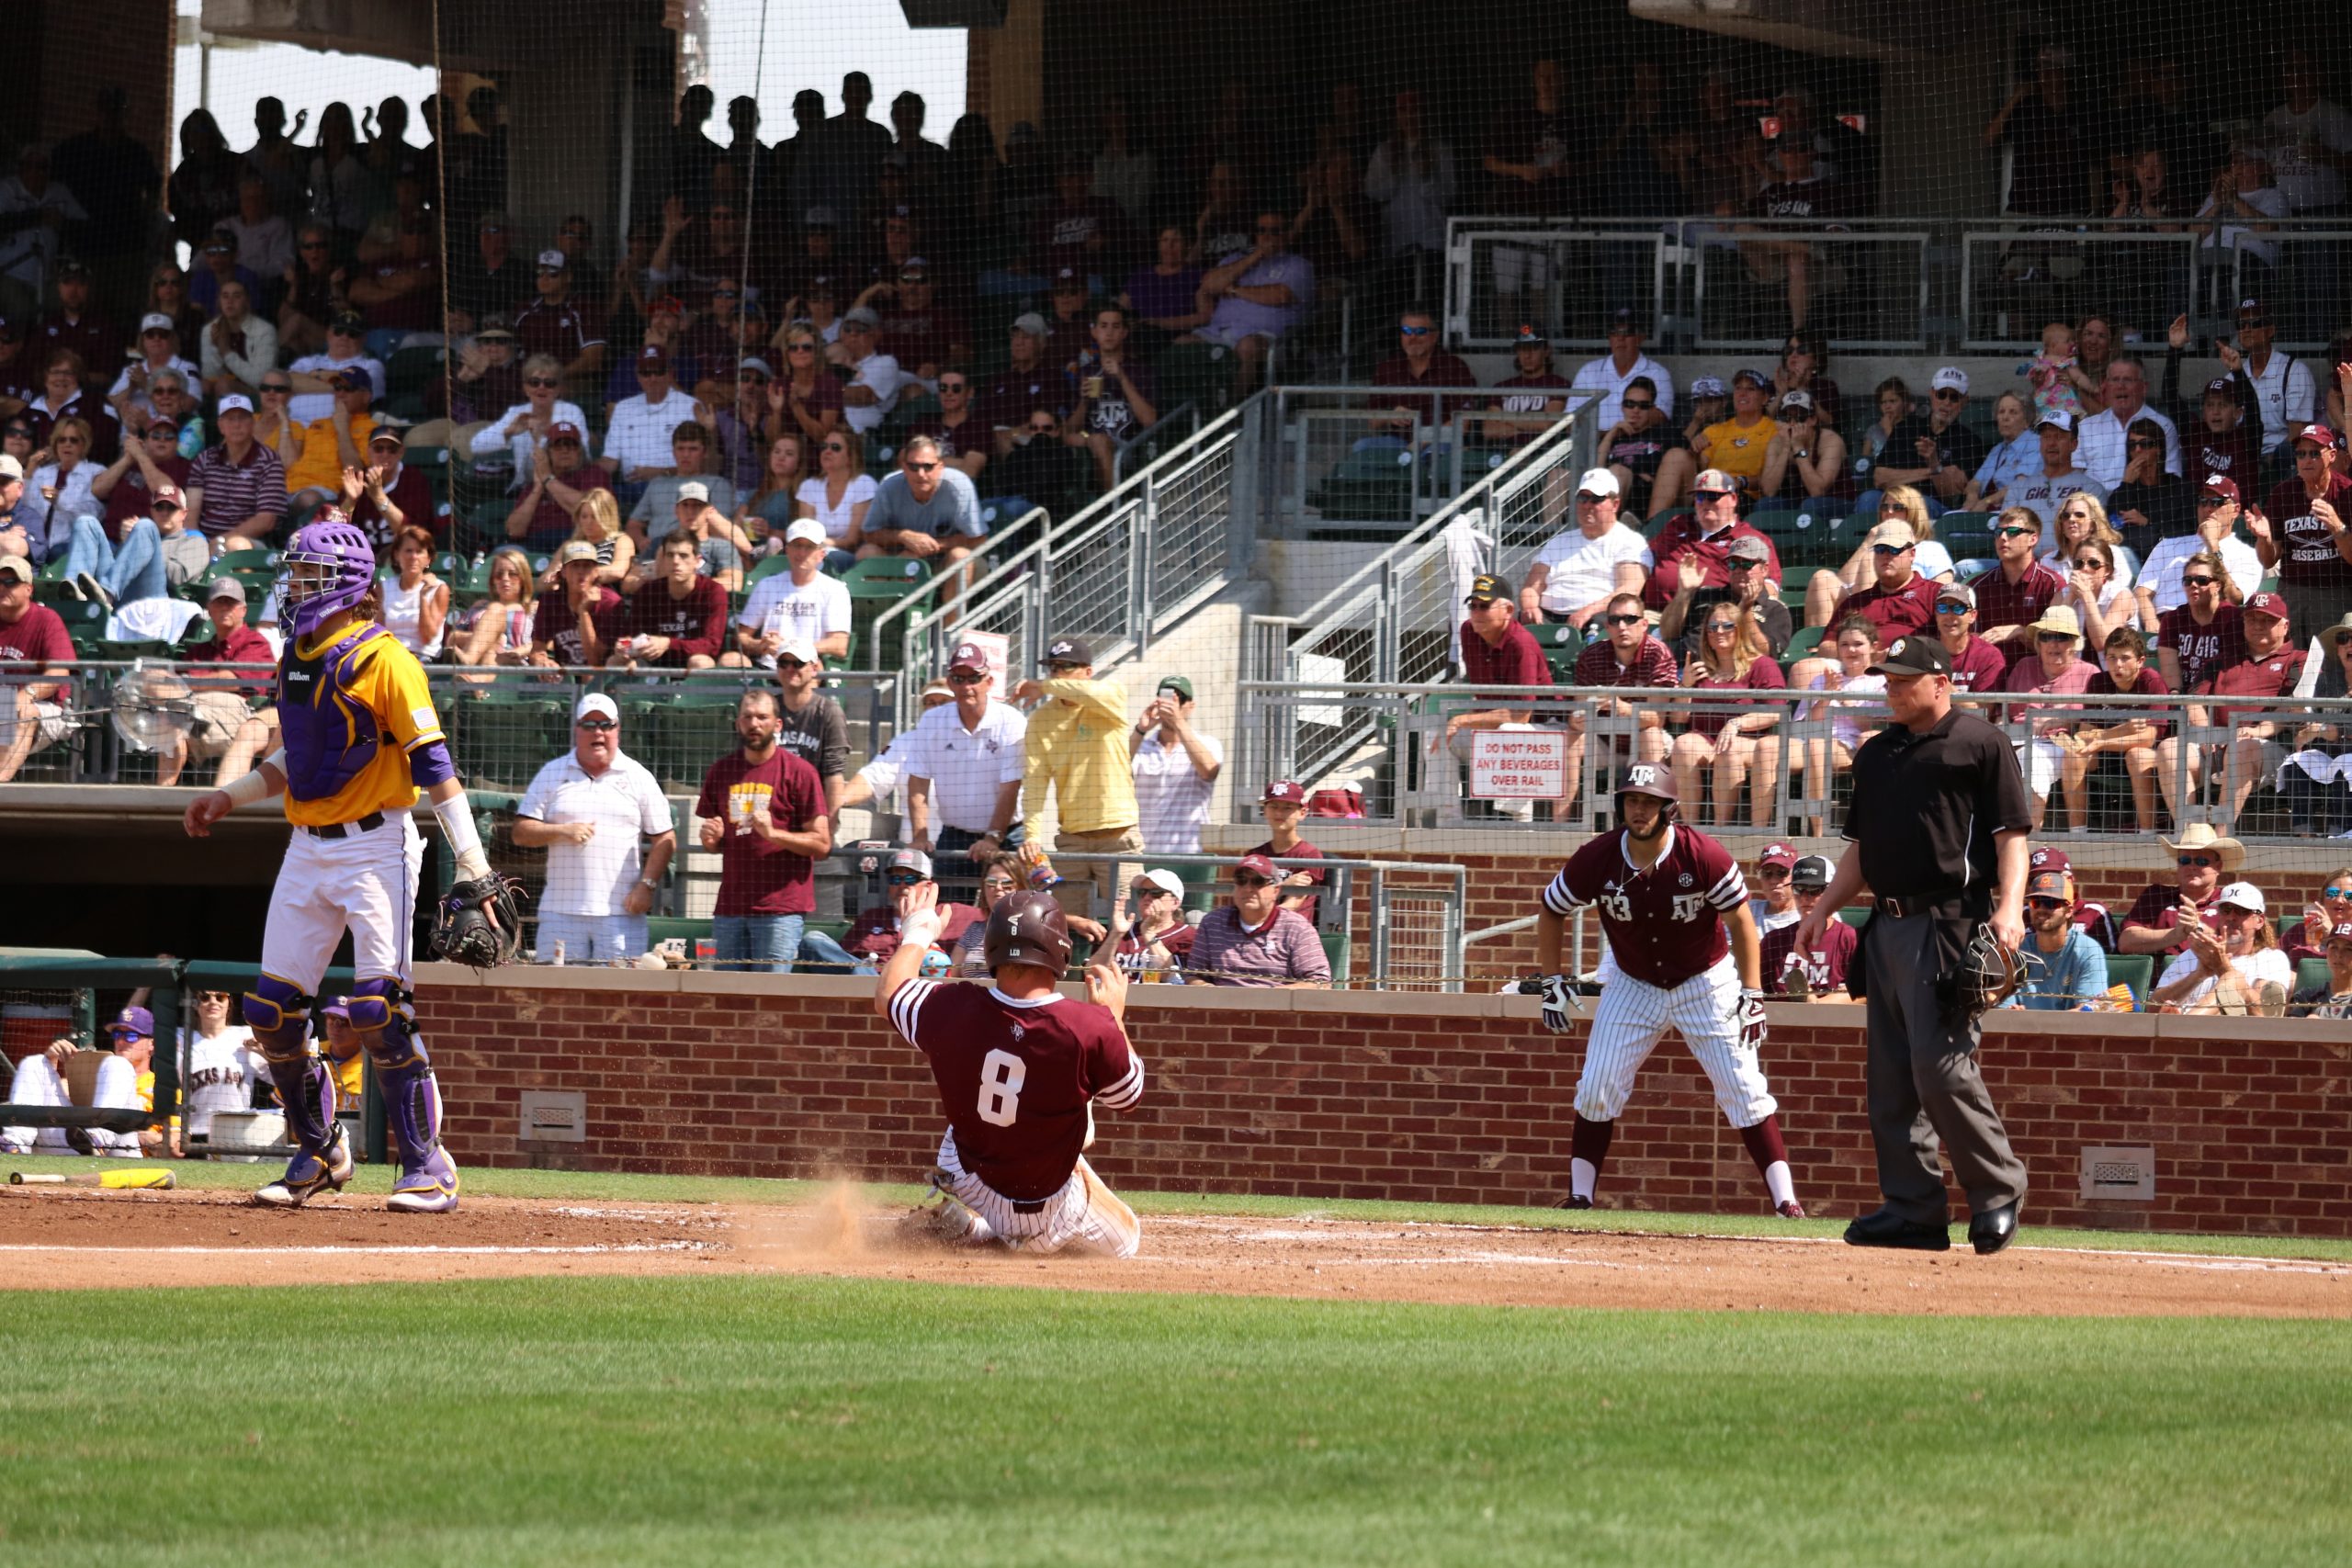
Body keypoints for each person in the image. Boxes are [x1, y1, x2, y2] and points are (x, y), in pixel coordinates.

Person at [179, 513, 503, 1213]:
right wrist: (229, 797)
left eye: (310, 575)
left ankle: (427, 1163)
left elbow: (436, 766)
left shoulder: (388, 658)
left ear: (348, 582)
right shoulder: (297, 651)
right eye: (295, 573)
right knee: (269, 1007)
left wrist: (472, 864)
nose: (296, 585)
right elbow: (298, 759)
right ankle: (321, 1149)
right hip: (307, 845)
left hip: (376, 841)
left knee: (378, 1007)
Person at [1789, 633, 2030, 1256]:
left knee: (1941, 1067)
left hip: (1950, 923)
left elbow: (2012, 836)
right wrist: (1826, 906)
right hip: (1887, 925)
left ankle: (1997, 1188)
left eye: (1903, 679)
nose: (1891, 688)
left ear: (1941, 683)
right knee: (1892, 1079)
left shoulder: (1980, 741)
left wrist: (2008, 908)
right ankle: (1914, 1208)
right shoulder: (1876, 753)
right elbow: (1862, 850)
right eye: (1887, 679)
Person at [1533, 765, 1803, 1217]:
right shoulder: (1599, 855)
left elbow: (1740, 920)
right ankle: (1580, 1196)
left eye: (1649, 801)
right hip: (1631, 982)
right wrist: (1551, 979)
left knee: (1743, 1087)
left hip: (1705, 980)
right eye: (1631, 800)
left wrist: (1752, 993)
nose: (1638, 810)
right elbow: (1551, 908)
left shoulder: (1702, 853)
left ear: (1668, 809)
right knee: (1597, 1086)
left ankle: (1786, 1201)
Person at [878, 883, 1144, 1257]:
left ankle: (970, 1217)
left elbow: (890, 992)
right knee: (1126, 1242)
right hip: (1035, 1207)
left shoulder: (953, 1003)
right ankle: (982, 1230)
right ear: (1059, 950)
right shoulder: (1089, 1025)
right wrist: (1113, 1017)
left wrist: (919, 930)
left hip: (963, 1168)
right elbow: (1129, 1096)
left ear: (992, 948)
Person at [512, 694, 675, 964]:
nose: (598, 732)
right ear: (577, 730)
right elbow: (520, 831)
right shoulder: (552, 773)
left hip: (621, 915)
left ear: (617, 730)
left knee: (622, 995)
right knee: (555, 995)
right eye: (589, 724)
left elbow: (665, 838)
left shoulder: (639, 777)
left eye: (606, 724)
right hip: (560, 913)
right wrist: (563, 831)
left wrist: (647, 885)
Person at [694, 686, 831, 972]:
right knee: (725, 997)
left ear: (777, 724)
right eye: (747, 717)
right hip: (731, 908)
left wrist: (774, 834)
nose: (754, 724)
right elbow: (716, 841)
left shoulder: (800, 772)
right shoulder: (721, 771)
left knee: (771, 999)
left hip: (780, 910)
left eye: (762, 717)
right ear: (738, 723)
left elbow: (822, 845)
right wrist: (711, 838)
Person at [1013, 635, 1141, 924]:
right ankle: (1070, 973)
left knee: (1128, 925)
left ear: (1088, 672)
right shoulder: (1040, 720)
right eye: (1053, 668)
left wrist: (1043, 686)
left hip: (1118, 836)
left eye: (1067, 666)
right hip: (1071, 839)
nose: (1058, 673)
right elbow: (1035, 781)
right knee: (1064, 925)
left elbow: (1089, 693)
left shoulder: (1110, 697)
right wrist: (1031, 835)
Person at [905, 640, 1028, 900]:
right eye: (959, 679)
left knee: (1016, 914)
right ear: (950, 683)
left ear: (989, 682)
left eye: (974, 678)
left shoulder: (1011, 720)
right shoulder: (932, 721)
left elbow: (1011, 787)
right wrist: (920, 835)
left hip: (1007, 834)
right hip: (954, 834)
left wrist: (993, 837)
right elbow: (918, 781)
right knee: (945, 915)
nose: (966, 686)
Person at [1668, 604, 1786, 829]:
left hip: (1752, 743)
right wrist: (1685, 687)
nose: (1718, 631)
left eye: (1727, 626)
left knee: (1728, 748)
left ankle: (1721, 830)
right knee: (1683, 744)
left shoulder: (1762, 665)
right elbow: (1679, 719)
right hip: (1706, 740)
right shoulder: (1700, 670)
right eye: (1712, 627)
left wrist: (1737, 724)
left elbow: (1776, 711)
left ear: (1740, 629)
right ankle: (1689, 828)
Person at [162, 575, 278, 787]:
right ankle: (160, 795)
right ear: (209, 609)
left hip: (236, 714)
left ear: (243, 610)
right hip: (191, 712)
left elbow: (234, 681)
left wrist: (188, 682)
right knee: (166, 717)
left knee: (173, 714)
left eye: (231, 603)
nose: (225, 608)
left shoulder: (255, 643)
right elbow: (177, 683)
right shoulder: (199, 651)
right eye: (219, 602)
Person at [1188, 209, 1313, 395]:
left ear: (1286, 233)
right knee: (1183, 342)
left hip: (1269, 339)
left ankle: (1228, 413)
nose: (1267, 236)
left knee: (1248, 347)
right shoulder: (1235, 260)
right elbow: (1208, 284)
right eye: (1262, 230)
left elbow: (1280, 295)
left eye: (1275, 231)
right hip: (1218, 332)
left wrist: (1233, 289)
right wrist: (1255, 257)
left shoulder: (1298, 265)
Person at [2000, 606, 2102, 831]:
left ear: (2075, 643)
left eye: (2062, 637)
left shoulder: (2090, 673)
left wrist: (2066, 720)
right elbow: (2004, 714)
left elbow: (2095, 722)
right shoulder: (2023, 666)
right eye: (2047, 637)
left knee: (2032, 759)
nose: (2054, 644)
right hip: (2017, 740)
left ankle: (2029, 834)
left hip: (2063, 745)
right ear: (2038, 643)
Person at [1518, 468, 1652, 631]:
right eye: (1583, 498)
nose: (1587, 505)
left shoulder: (1630, 541)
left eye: (1596, 499)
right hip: (1546, 618)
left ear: (1615, 504)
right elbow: (1531, 587)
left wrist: (1589, 611)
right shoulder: (1558, 542)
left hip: (1597, 619)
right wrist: (1530, 607)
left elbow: (1630, 590)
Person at [2255, 423, 2352, 644]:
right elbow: (2269, 560)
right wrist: (2264, 539)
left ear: (2332, 455)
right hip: (2292, 592)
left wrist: (2338, 528)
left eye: (2315, 453)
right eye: (2301, 454)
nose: (2307, 459)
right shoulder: (2283, 494)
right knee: (2290, 661)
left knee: (2330, 665)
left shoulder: (2347, 493)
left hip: (2334, 592)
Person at [0, 1019, 150, 1157]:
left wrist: (148, 1132)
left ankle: (97, 1138)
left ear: (152, 1043)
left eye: (131, 1036)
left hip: (121, 1151)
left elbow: (171, 1142)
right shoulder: (101, 1070)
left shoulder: (157, 1085)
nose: (121, 1041)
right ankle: (13, 1146)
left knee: (119, 1064)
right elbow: (60, 1098)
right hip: (76, 1143)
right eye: (117, 1034)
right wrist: (50, 1061)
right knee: (35, 1062)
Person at [1182, 853, 1331, 988]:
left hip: (1277, 1011)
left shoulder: (1297, 927)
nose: (1248, 888)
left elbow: (1321, 981)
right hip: (1222, 1008)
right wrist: (1206, 988)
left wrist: (1276, 995)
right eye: (1241, 881)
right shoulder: (1212, 923)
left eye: (1258, 881)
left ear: (1276, 890)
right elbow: (1193, 974)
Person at [2148, 881, 2290, 1016]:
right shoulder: (2193, 954)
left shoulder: (2272, 958)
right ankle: (2188, 1023)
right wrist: (2199, 975)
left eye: (2241, 911)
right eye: (2225, 910)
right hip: (2181, 1036)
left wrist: (2224, 969)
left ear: (2259, 921)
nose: (2231, 917)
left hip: (2234, 1035)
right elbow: (2151, 1007)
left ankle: (2189, 1022)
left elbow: (2265, 1014)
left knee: (2234, 979)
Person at [860, 436, 986, 577]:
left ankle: (952, 600)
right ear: (904, 467)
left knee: (960, 556)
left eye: (928, 466)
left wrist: (930, 546)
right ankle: (886, 598)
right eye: (914, 467)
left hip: (946, 561)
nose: (921, 474)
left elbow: (978, 539)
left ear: (940, 466)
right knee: (867, 552)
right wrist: (903, 536)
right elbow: (869, 534)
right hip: (902, 556)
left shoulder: (959, 485)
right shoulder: (889, 485)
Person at [1128, 674, 1223, 858]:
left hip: (1189, 852)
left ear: (1191, 706)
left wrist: (1178, 722)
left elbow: (1209, 771)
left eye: (1180, 699)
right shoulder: (1141, 746)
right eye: (1167, 698)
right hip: (1143, 852)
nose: (1173, 705)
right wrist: (1140, 730)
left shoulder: (1208, 743)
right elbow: (1116, 772)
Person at [0, 549, 74, 784]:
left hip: (44, 707)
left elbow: (59, 673)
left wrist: (27, 694)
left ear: (28, 589)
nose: (3, 587)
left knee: (19, 710)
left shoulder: (46, 620)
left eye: (10, 582)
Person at [735, 520, 850, 669]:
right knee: (730, 660)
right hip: (768, 667)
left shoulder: (835, 589)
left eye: (809, 547)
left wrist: (790, 649)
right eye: (797, 545)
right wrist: (761, 645)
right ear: (787, 550)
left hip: (809, 668)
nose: (801, 553)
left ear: (821, 554)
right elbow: (741, 637)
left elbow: (840, 645)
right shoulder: (767, 585)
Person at [2117, 822, 2240, 959]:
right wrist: (2176, 934)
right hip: (2161, 979)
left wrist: (2197, 928)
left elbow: (2239, 947)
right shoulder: (2156, 895)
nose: (2191, 867)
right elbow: (2126, 942)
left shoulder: (2230, 902)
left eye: (2201, 862)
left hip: (2210, 977)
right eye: (2185, 860)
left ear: (2218, 867)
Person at [611, 532, 730, 671]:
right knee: (615, 661)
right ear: (663, 559)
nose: (675, 561)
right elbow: (633, 634)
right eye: (670, 555)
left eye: (683, 556)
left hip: (694, 661)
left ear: (697, 561)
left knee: (701, 662)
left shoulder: (712, 591)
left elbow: (712, 645)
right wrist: (625, 646)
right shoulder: (648, 591)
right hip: (653, 662)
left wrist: (668, 644)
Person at [2008, 867, 2110, 1010]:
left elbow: (2087, 1013)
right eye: (2035, 903)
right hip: (2019, 1031)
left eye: (2051, 903)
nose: (2041, 909)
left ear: (2069, 911)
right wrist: (2011, 1013)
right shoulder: (2016, 948)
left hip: (2072, 1032)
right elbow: (2003, 1008)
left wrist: (2033, 1019)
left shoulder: (2088, 949)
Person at [1759, 854, 1858, 1002]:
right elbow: (1759, 992)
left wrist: (1817, 1007)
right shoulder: (1774, 940)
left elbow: (1865, 993)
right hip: (1782, 1020)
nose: (1805, 897)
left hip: (1833, 1020)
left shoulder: (1848, 937)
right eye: (1798, 889)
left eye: (1814, 889)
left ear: (1831, 891)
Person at [178, 987, 264, 1156]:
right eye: (205, 997)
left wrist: (263, 1050)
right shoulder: (180, 1037)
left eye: (220, 997)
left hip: (236, 1128)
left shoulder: (245, 1035)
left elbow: (277, 1076)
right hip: (194, 1130)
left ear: (228, 1004)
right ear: (196, 1004)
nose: (213, 1002)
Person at [1570, 310, 1674, 433]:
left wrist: (1616, 434)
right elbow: (1570, 418)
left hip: (1635, 444)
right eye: (1615, 332)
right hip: (1591, 444)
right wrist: (1596, 437)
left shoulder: (1657, 372)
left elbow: (1660, 415)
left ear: (1641, 337)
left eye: (1628, 332)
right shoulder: (1588, 371)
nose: (1620, 338)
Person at [1250, 779, 1329, 926]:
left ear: (1302, 812)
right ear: (1265, 810)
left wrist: (1259, 917)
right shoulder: (1255, 856)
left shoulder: (1309, 854)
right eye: (1273, 806)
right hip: (1255, 929)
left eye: (1287, 808)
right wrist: (1284, 885)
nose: (1279, 812)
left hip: (1293, 932)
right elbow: (1247, 899)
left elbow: (1293, 903)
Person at [450, 547, 535, 680]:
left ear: (523, 578)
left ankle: (469, 663)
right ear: (493, 580)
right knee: (494, 615)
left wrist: (520, 651)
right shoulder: (480, 607)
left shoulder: (532, 608)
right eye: (499, 575)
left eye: (512, 574)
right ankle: (476, 682)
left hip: (512, 665)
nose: (505, 579)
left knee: (496, 609)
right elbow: (452, 637)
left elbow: (545, 644)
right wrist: (483, 638)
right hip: (479, 662)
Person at [377, 525, 447, 660]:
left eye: (419, 551)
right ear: (397, 555)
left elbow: (427, 637)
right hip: (390, 656)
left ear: (428, 558)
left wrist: (423, 597)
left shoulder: (439, 588)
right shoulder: (382, 588)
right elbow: (378, 633)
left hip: (423, 658)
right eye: (408, 551)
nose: (413, 557)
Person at [1110, 867, 1194, 979]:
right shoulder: (1124, 930)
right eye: (1142, 892)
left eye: (1156, 893)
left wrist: (1149, 934)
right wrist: (1115, 935)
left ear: (1175, 902)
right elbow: (1091, 972)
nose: (1147, 897)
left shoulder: (1188, 935)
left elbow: (1173, 977)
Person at [2287, 919, 2352, 1020]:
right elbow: (2290, 1031)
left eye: (2348, 949)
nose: (2338, 955)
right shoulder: (2306, 997)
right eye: (2334, 947)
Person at [1746, 842, 1801, 933]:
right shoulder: (1750, 911)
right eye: (1767, 873)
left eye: (1782, 872)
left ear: (1796, 875)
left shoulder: (1807, 914)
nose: (1773, 881)